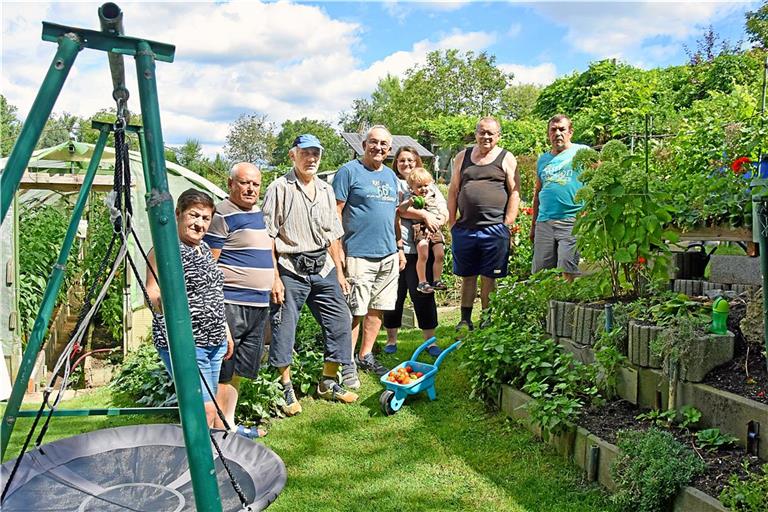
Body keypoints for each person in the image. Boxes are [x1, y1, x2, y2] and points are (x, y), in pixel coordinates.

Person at [262, 134, 358, 411]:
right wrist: (275, 277)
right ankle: (285, 387)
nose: (312, 158)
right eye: (305, 153)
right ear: (293, 155)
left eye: (316, 153)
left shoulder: (326, 190)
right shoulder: (279, 188)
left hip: (323, 265)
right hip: (290, 266)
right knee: (284, 326)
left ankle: (328, 381)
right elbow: (268, 236)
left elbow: (334, 236)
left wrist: (339, 273)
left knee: (341, 320)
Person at [146, 188, 234, 429]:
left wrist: (225, 330)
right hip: (187, 342)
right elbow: (152, 292)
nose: (199, 224)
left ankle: (214, 461)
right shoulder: (166, 250)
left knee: (212, 407)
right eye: (194, 215)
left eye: (206, 218)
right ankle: (192, 466)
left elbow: (213, 292)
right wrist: (166, 305)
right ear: (178, 213)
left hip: (214, 341)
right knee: (202, 410)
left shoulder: (204, 249)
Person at [203, 162, 272, 438]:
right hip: (231, 303)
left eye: (255, 184)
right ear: (231, 184)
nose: (250, 188)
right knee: (223, 367)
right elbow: (209, 264)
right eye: (244, 183)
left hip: (258, 304)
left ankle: (228, 424)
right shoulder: (221, 214)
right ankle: (217, 429)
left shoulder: (259, 213)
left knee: (239, 370)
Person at [333, 125, 405, 388]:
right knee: (355, 311)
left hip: (387, 254)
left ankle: (366, 355)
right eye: (373, 142)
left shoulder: (390, 176)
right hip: (358, 253)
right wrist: (338, 250)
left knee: (377, 308)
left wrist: (398, 247)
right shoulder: (348, 172)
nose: (378, 148)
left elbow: (394, 216)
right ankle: (346, 362)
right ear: (363, 145)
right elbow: (336, 213)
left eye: (384, 144)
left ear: (389, 149)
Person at [447, 116, 521, 331]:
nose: (486, 136)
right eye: (482, 132)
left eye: (491, 133)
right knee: (467, 276)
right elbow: (453, 191)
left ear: (498, 136)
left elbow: (515, 193)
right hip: (465, 228)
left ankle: (487, 319)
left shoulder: (507, 158)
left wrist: (507, 223)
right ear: (476, 134)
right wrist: (452, 222)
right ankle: (465, 319)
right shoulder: (463, 157)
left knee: (490, 277)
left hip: (494, 229)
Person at [383, 147, 445, 356]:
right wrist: (424, 215)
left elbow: (443, 211)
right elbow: (397, 210)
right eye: (402, 160)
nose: (406, 164)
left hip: (422, 248)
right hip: (398, 248)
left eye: (410, 160)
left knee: (423, 293)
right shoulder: (392, 183)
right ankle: (392, 339)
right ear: (396, 163)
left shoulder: (430, 185)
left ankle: (430, 341)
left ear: (417, 161)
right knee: (395, 295)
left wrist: (436, 220)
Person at [531, 114, 589, 282]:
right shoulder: (543, 160)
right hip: (544, 222)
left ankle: (569, 306)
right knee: (540, 273)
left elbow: (599, 180)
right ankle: (544, 307)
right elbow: (537, 194)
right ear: (548, 134)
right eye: (553, 130)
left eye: (562, 129)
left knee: (567, 267)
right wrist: (533, 225)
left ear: (570, 132)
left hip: (571, 221)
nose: (558, 133)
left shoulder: (582, 152)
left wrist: (588, 212)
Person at [399, 167, 447, 294]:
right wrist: (410, 201)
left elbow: (442, 212)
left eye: (426, 185)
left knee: (440, 254)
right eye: (419, 186)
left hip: (434, 228)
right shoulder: (412, 197)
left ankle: (436, 280)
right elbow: (401, 210)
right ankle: (422, 281)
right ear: (412, 188)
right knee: (423, 254)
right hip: (419, 228)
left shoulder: (434, 195)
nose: (423, 189)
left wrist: (438, 222)